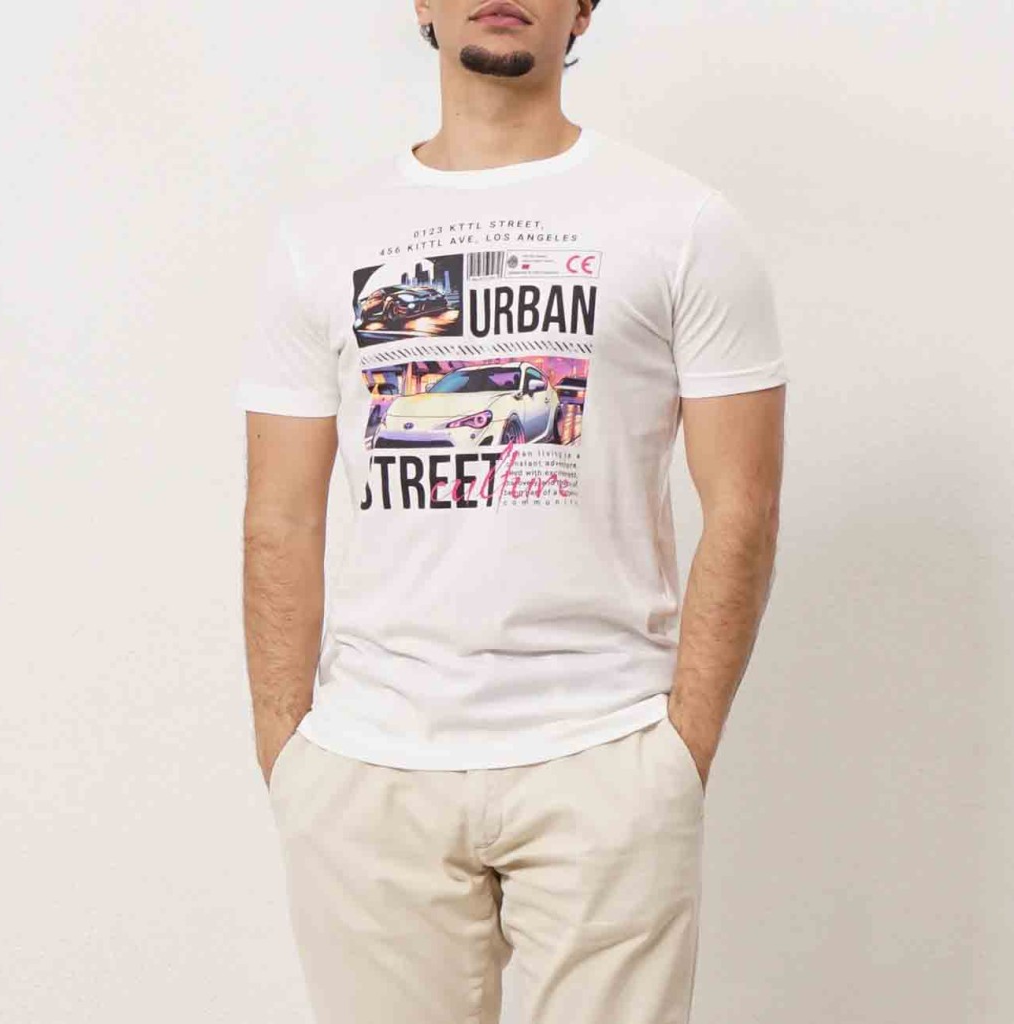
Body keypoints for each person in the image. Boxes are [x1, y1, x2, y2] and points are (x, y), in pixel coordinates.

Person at [233, 2, 788, 1021]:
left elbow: (743, 506)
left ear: (583, 8)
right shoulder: (319, 239)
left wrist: (680, 748)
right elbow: (280, 516)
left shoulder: (683, 225)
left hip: (606, 752)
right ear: (421, 5)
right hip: (370, 764)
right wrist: (290, 752)